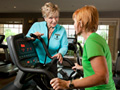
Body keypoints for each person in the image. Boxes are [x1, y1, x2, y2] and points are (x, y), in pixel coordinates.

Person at [50, 5, 116, 90]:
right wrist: (82, 67)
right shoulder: (97, 38)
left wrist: (68, 84)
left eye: (74, 22)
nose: (74, 25)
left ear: (80, 23)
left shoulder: (92, 41)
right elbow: (98, 67)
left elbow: (103, 77)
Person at [26, 2, 68, 90]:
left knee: (53, 85)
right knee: (35, 85)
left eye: (56, 17)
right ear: (45, 18)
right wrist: (32, 38)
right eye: (51, 18)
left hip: (51, 62)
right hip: (37, 62)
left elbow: (64, 46)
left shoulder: (61, 30)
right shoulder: (37, 26)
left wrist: (61, 53)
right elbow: (26, 41)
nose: (54, 20)